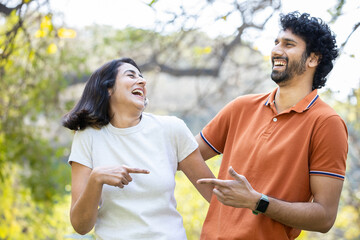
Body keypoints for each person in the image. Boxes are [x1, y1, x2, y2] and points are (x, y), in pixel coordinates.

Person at [196, 11, 348, 240]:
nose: (276, 50)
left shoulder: (327, 123)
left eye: (288, 44)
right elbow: (185, 154)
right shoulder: (241, 107)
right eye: (276, 42)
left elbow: (325, 217)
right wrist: (218, 197)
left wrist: (258, 202)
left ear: (313, 59)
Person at [62, 57, 215, 240]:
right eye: (131, 75)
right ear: (108, 88)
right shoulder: (88, 137)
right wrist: (96, 179)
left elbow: (216, 198)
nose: (142, 81)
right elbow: (80, 226)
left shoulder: (172, 129)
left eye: (141, 77)